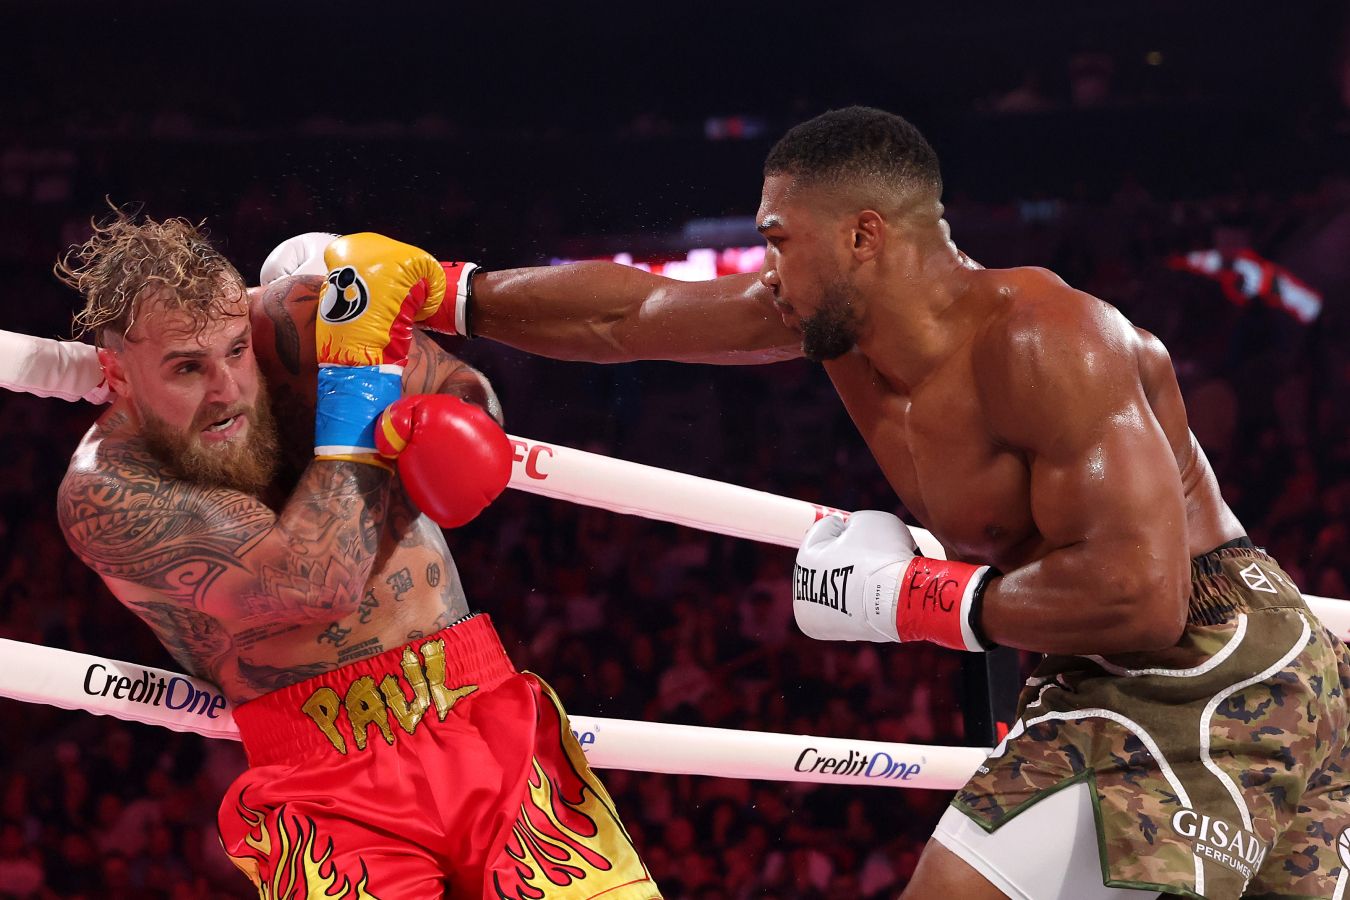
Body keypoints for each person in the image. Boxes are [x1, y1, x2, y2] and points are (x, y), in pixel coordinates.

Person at [288, 107, 1348, 898]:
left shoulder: (1047, 339)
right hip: (1124, 664)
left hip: (1206, 657)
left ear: (863, 237)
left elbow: (1144, 600)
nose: (766, 264)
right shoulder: (833, 326)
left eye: (779, 237)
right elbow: (634, 313)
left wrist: (919, 602)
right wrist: (447, 291)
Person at [53, 212, 660, 899]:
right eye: (186, 368)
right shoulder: (108, 493)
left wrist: (457, 432)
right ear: (117, 373)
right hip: (322, 783)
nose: (226, 388)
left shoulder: (298, 320)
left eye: (234, 350)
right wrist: (364, 392)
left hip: (478, 706)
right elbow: (318, 583)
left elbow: (465, 390)